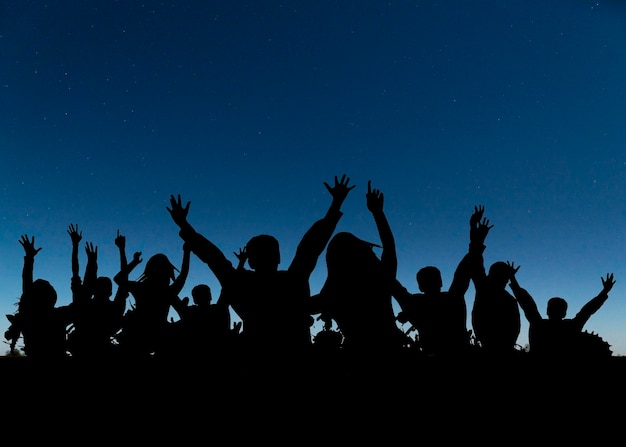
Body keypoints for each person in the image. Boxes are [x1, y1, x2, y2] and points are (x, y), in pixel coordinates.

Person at [167, 174, 354, 357]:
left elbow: (214, 257)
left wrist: (184, 225)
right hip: (296, 356)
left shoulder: (241, 283)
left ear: (250, 260)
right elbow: (311, 247)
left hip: (256, 357)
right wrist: (335, 204)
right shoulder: (292, 280)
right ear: (278, 257)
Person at [309, 180, 405, 357]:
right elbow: (389, 246)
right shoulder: (381, 279)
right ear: (364, 252)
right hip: (392, 351)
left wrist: (336, 203)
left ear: (332, 261)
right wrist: (377, 212)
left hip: (356, 355)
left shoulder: (331, 296)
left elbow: (307, 255)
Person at [392, 205, 487, 358]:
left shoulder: (414, 303)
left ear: (420, 286)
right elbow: (467, 264)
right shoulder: (453, 298)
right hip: (461, 356)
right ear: (441, 282)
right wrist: (475, 234)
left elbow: (391, 281)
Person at [508, 265, 615, 359]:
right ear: (564, 313)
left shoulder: (539, 325)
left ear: (547, 311)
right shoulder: (571, 326)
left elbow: (527, 304)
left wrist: (513, 279)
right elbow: (587, 310)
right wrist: (604, 291)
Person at [113, 242, 190, 359]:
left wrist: (131, 259)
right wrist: (186, 252)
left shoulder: (140, 288)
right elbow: (183, 275)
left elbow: (119, 279)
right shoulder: (168, 291)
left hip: (137, 333)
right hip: (158, 334)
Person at [4, 234, 74, 359]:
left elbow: (27, 290)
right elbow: (80, 298)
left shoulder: (27, 317)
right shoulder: (59, 315)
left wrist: (29, 258)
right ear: (52, 297)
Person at [469, 207, 522, 356]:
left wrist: (476, 234)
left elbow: (475, 259)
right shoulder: (489, 289)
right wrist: (476, 233)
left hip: (498, 348)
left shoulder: (488, 289)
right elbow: (475, 259)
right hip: (498, 349)